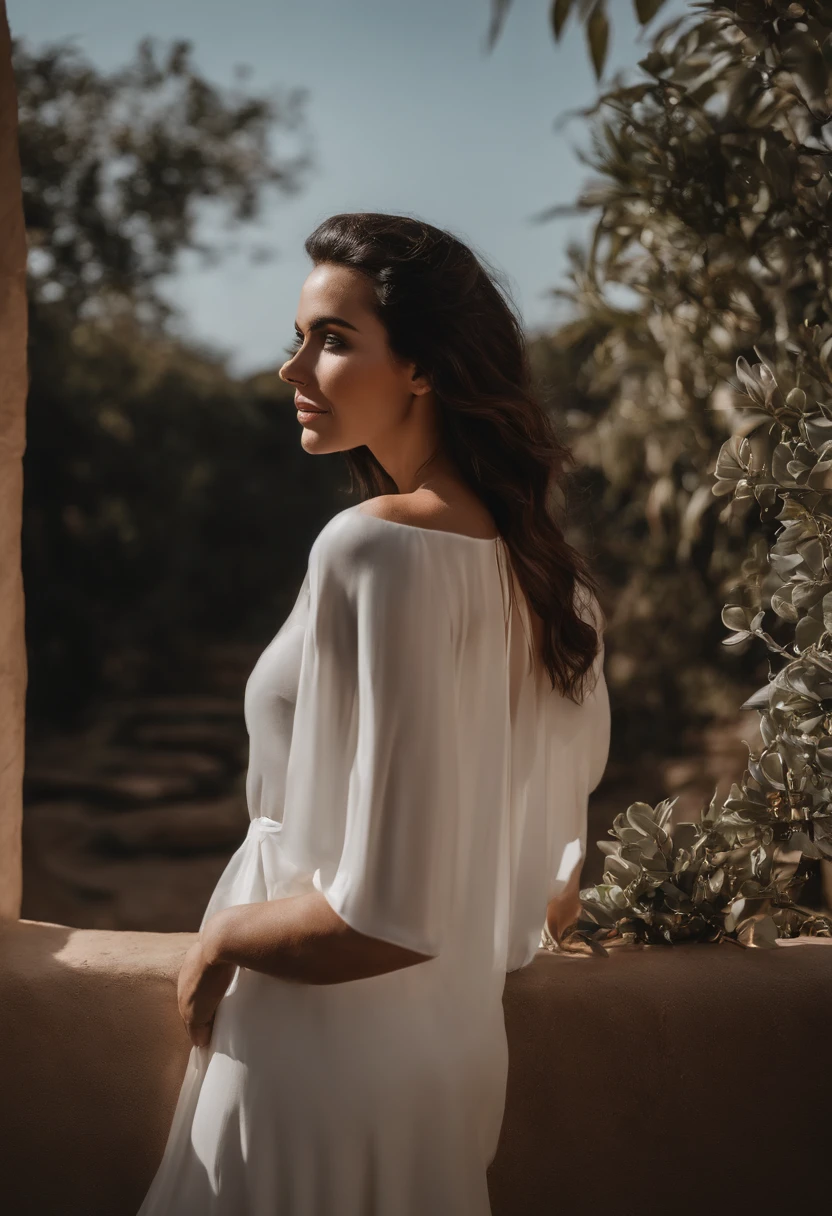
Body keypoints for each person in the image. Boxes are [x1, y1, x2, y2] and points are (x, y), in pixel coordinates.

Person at [136, 212, 611, 1216]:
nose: (292, 366)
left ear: (423, 369)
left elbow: (384, 918)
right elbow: (551, 895)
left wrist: (221, 937)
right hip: (445, 1059)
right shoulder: (554, 586)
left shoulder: (371, 548)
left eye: (333, 338)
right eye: (299, 335)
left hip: (317, 1060)